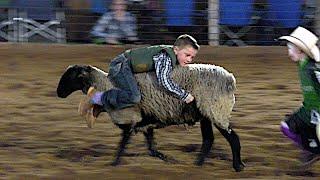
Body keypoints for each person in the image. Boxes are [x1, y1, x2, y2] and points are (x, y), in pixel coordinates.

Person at [79, 34, 200, 127]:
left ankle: (99, 104)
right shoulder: (166, 57)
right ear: (176, 49)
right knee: (134, 97)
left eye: (192, 57)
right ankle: (95, 98)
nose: (190, 59)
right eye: (187, 55)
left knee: (130, 96)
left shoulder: (171, 56)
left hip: (126, 66)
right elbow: (163, 80)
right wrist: (184, 95)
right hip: (121, 66)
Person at [279, 26, 320, 167]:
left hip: (317, 113)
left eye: (291, 48)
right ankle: (311, 148)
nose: (288, 52)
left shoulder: (313, 69)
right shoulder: (302, 65)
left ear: (301, 51)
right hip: (309, 110)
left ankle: (312, 149)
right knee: (286, 126)